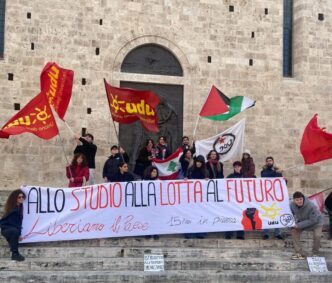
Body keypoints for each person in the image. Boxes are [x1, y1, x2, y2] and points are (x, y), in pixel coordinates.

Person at [290, 191, 324, 259]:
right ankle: (299, 252)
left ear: (303, 198)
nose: (299, 201)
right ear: (294, 200)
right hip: (303, 221)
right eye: (297, 200)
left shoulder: (311, 205)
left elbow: (313, 220)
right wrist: (290, 223)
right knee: (294, 231)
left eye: (300, 199)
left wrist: (298, 225)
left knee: (317, 235)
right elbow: (290, 214)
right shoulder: (291, 205)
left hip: (316, 222)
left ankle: (315, 252)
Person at [261, 156, 283, 240]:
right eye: (267, 161)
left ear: (273, 162)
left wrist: (284, 179)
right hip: (267, 196)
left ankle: (278, 233)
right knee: (265, 214)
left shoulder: (278, 171)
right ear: (266, 163)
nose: (269, 162)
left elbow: (281, 182)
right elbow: (265, 176)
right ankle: (265, 233)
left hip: (276, 196)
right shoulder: (263, 171)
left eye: (270, 161)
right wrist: (276, 172)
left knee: (277, 213)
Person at [186, 155, 208, 239]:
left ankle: (201, 233)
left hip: (201, 198)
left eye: (200, 162)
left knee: (201, 215)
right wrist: (185, 179)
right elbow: (187, 177)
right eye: (197, 162)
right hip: (191, 197)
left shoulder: (205, 171)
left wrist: (207, 180)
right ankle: (189, 233)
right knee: (191, 215)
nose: (198, 164)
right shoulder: (191, 170)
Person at [0, 189, 26, 261]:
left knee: (15, 232)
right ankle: (15, 253)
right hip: (6, 229)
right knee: (15, 232)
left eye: (22, 197)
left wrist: (19, 233)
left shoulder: (19, 207)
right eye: (19, 197)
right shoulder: (13, 209)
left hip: (12, 229)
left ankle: (15, 254)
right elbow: (3, 221)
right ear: (15, 198)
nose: (21, 198)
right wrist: (18, 234)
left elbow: (18, 223)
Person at [225, 161, 245, 240]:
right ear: (233, 167)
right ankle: (229, 233)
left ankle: (240, 234)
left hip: (241, 201)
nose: (237, 168)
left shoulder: (244, 177)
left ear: (241, 167)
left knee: (241, 217)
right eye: (235, 166)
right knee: (230, 217)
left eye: (238, 166)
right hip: (232, 200)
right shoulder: (230, 176)